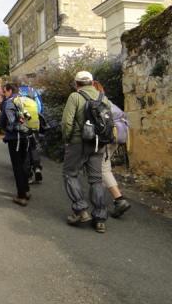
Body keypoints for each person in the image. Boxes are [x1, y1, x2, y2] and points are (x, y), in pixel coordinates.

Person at [61, 71, 109, 233]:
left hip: (78, 143)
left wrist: (67, 139)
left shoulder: (75, 97)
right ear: (91, 82)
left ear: (77, 83)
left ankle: (81, 211)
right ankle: (100, 219)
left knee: (70, 174)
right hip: (98, 144)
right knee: (96, 179)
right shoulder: (103, 97)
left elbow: (67, 122)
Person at [92, 81, 131, 218]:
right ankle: (101, 197)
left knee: (103, 169)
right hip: (117, 137)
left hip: (107, 139)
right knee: (104, 167)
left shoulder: (97, 103)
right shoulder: (108, 101)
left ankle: (119, 200)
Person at [0, 83, 31, 206]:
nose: (4, 94)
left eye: (4, 91)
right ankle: (27, 190)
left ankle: (21, 196)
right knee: (24, 164)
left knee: (17, 166)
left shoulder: (9, 102)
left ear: (9, 90)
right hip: (27, 135)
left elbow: (3, 120)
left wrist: (6, 129)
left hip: (15, 137)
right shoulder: (27, 99)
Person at [19, 85, 44, 184]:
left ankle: (28, 175)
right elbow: (40, 108)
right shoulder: (34, 93)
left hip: (24, 127)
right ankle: (37, 167)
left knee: (25, 151)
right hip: (35, 125)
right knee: (34, 147)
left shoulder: (19, 96)